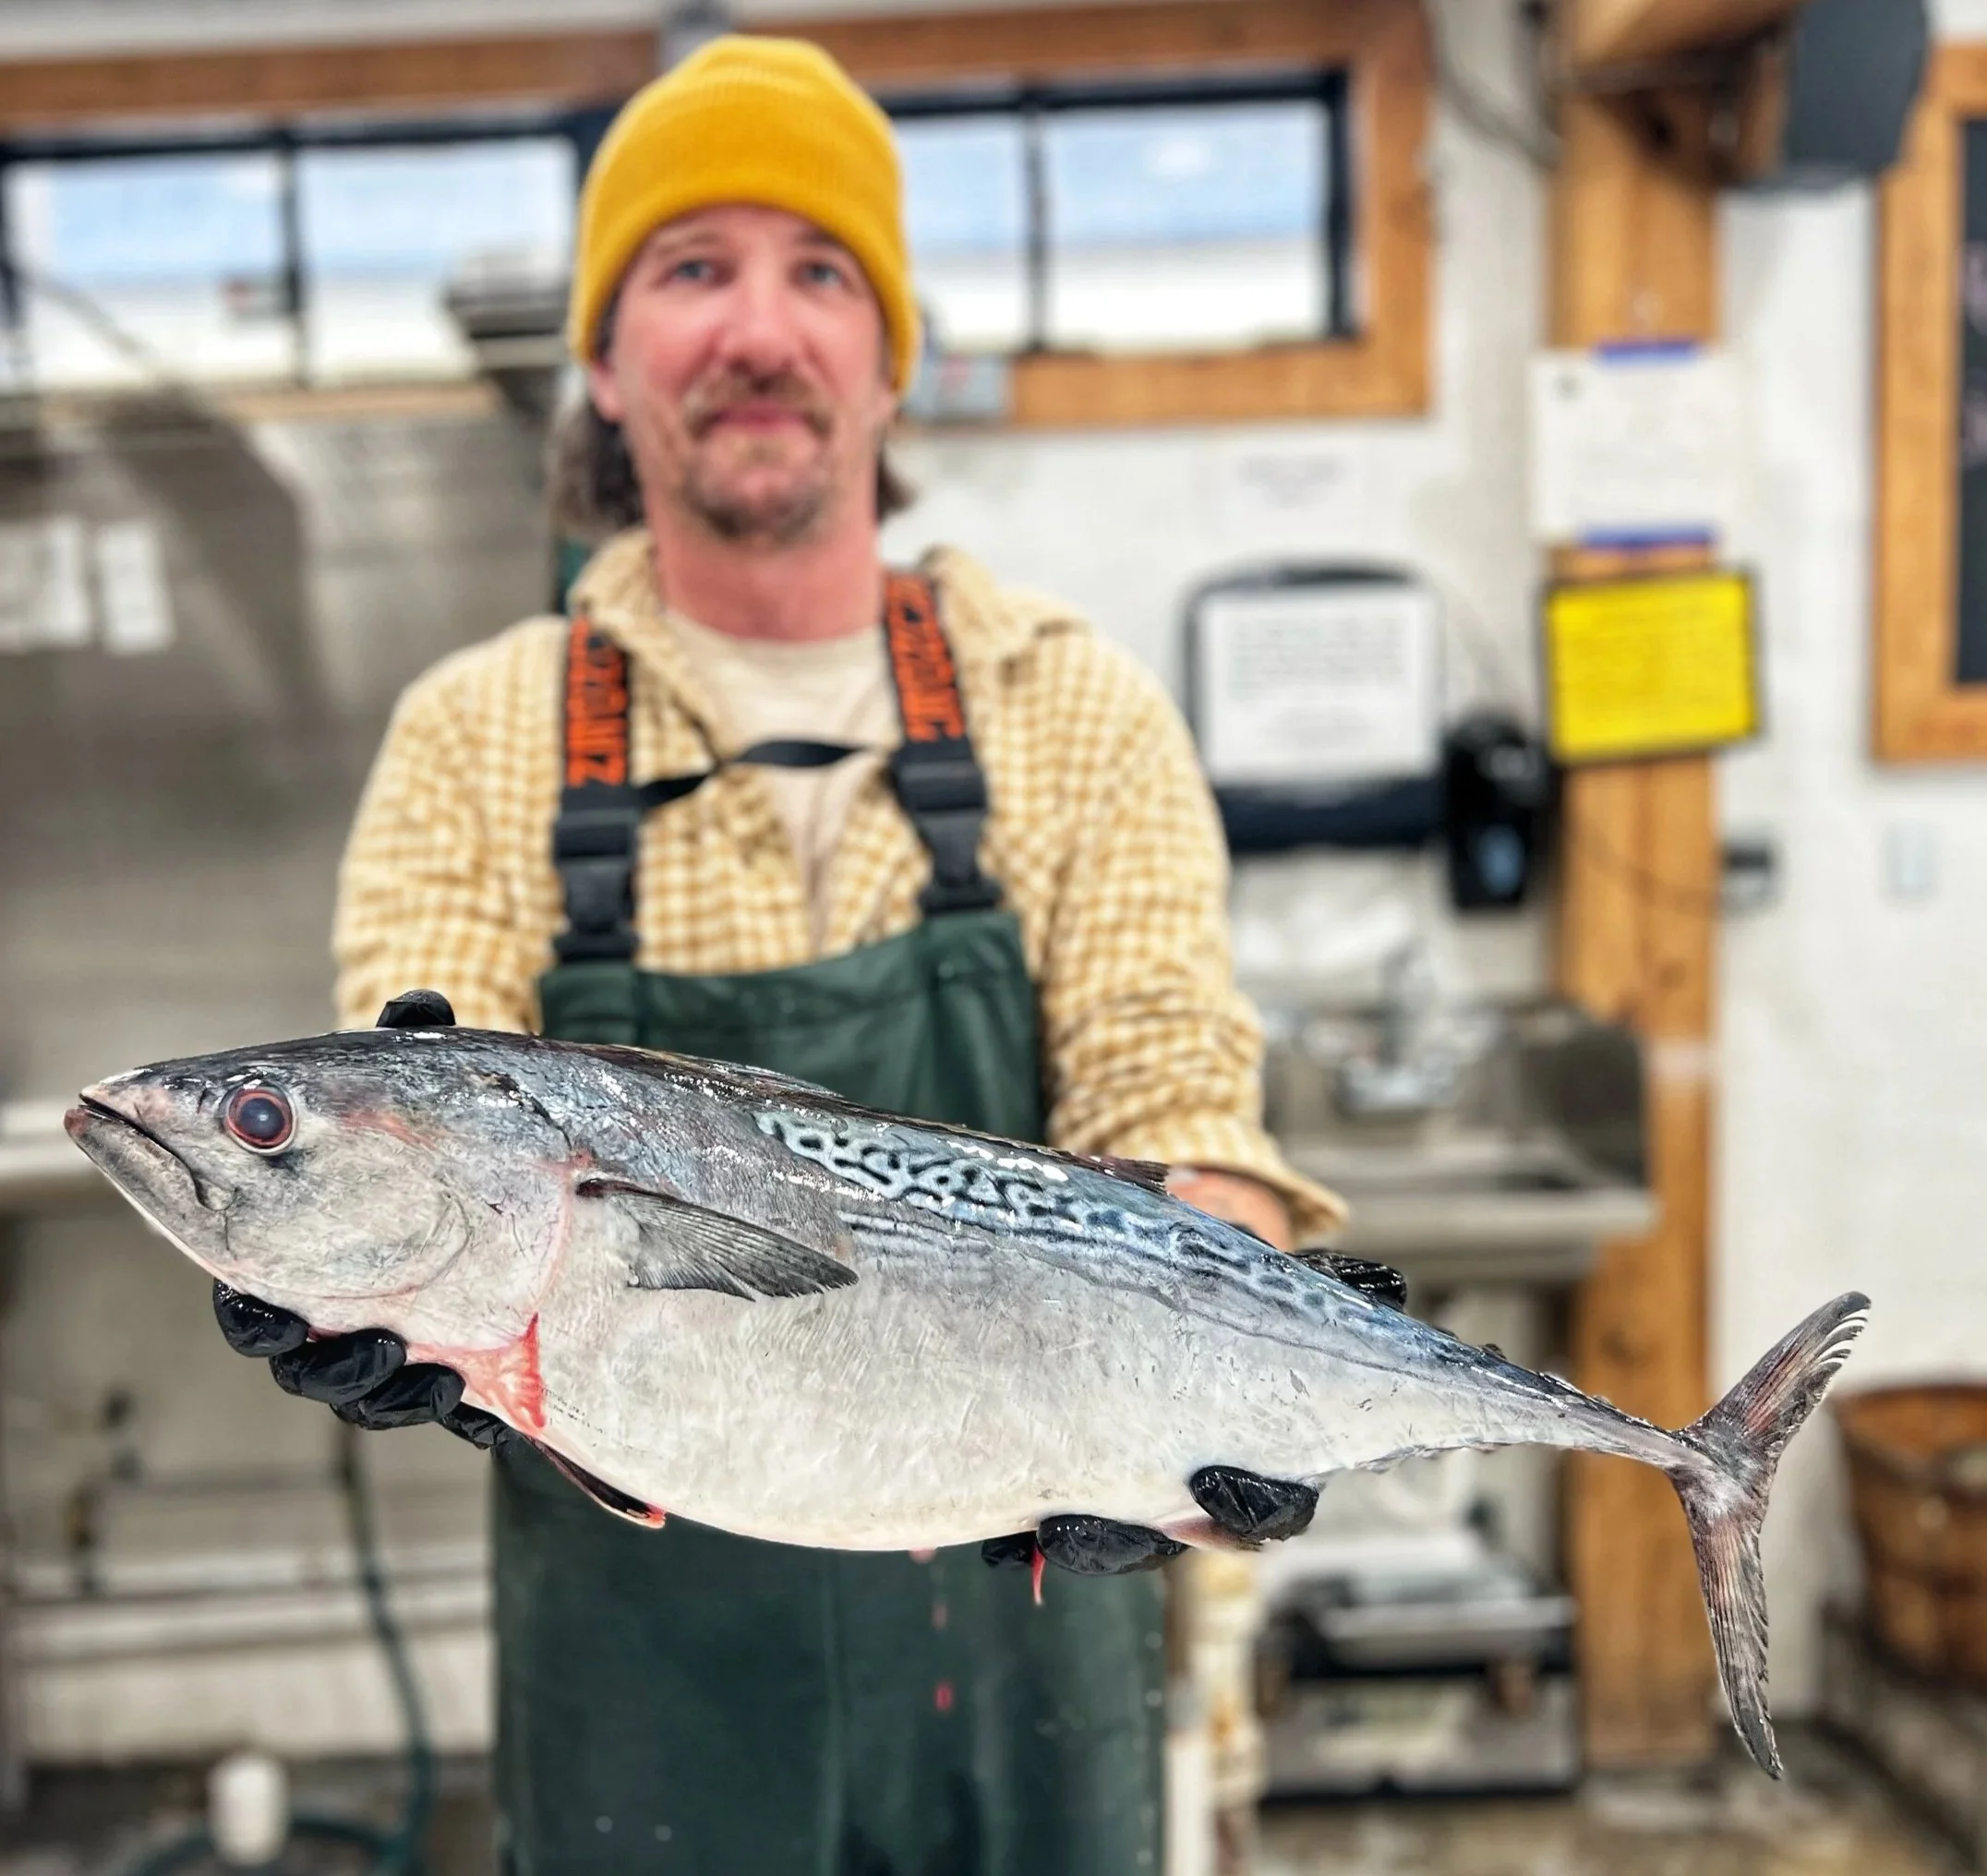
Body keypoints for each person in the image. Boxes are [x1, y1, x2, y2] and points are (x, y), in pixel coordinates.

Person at [211, 36, 1347, 1876]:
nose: (759, 327)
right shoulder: (474, 735)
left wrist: (1213, 1358)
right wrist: (351, 1268)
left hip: (1026, 1608)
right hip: (643, 1665)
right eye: (688, 268)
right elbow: (413, 1136)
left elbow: (1176, 1099)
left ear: (886, 356)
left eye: (820, 270)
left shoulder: (1069, 709)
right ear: (602, 356)